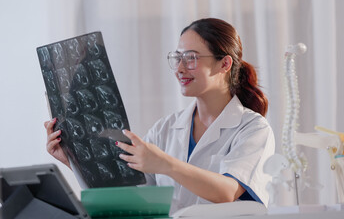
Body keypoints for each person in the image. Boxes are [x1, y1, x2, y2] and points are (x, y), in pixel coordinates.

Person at [45, 18, 275, 214]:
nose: (180, 68)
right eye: (178, 58)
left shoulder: (253, 129)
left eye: (191, 58)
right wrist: (75, 161)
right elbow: (135, 204)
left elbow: (228, 191)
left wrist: (166, 165)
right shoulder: (165, 129)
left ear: (224, 64)